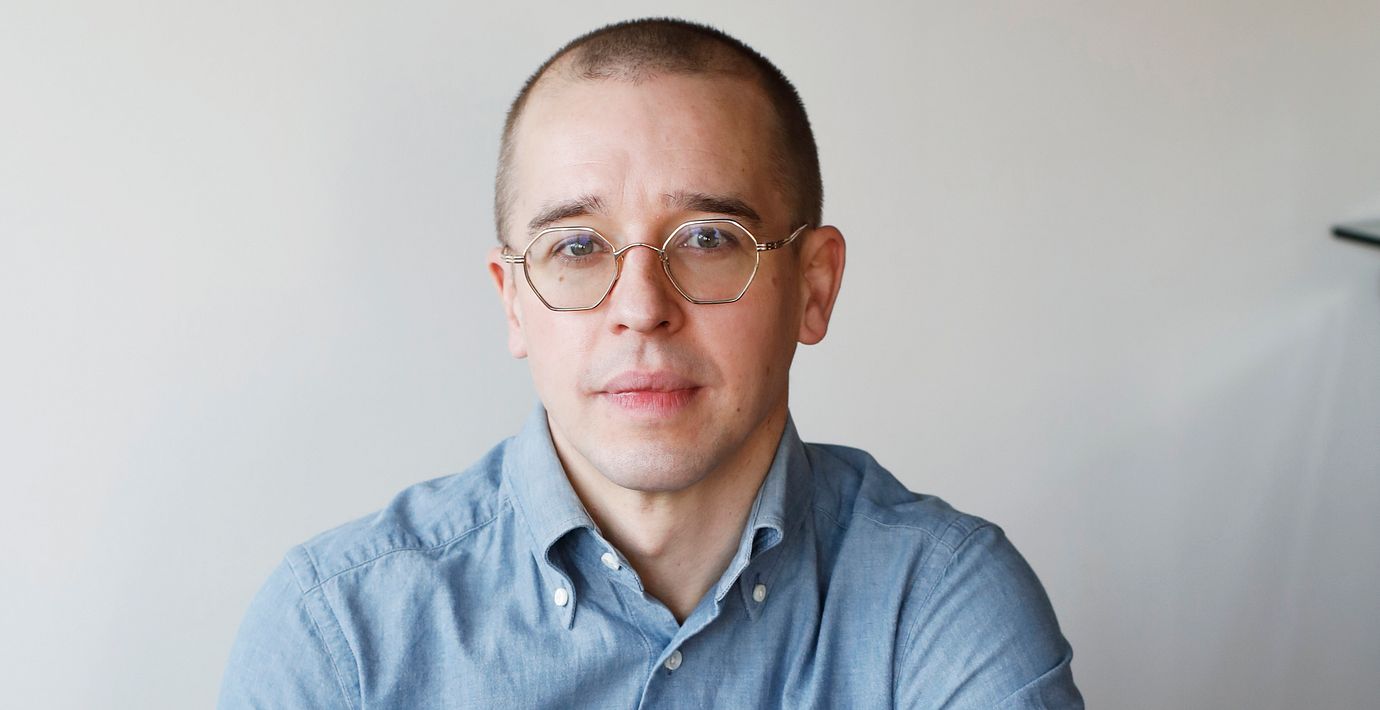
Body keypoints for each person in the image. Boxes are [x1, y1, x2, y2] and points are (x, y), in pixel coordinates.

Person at [219, 17, 1082, 709]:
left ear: (813, 288)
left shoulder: (937, 602)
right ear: (513, 301)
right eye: (577, 245)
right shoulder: (338, 635)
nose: (641, 308)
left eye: (708, 239)